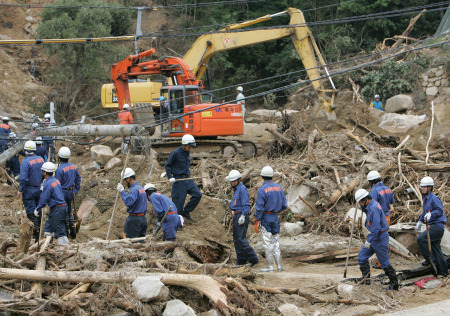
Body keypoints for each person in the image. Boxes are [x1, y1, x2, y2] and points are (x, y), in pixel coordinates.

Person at [355, 188, 398, 290]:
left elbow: (376, 228)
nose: (360, 204)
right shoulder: (369, 205)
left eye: (360, 202)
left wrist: (369, 241)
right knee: (362, 256)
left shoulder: (374, 207)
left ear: (365, 200)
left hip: (380, 237)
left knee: (384, 262)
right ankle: (366, 280)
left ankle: (394, 283)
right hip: (374, 237)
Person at [254, 166, 287, 272]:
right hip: (275, 217)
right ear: (272, 176)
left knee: (267, 242)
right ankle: (279, 266)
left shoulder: (262, 189)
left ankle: (270, 266)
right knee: (276, 241)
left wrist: (257, 220)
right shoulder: (279, 188)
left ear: (262, 176)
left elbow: (259, 207)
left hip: (266, 217)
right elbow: (284, 205)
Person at [415, 176, 448, 277]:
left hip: (437, 226)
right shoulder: (425, 198)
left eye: (425, 187)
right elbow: (425, 211)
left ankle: (430, 259)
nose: (423, 189)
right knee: (436, 249)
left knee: (421, 239)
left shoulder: (434, 199)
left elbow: (439, 211)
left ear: (430, 188)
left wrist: (431, 214)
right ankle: (443, 271)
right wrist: (420, 221)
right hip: (433, 225)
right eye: (422, 187)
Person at [165, 134, 202, 222]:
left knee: (198, 195)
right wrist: (170, 177)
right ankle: (177, 221)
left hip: (187, 179)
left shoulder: (187, 152)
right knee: (178, 202)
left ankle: (186, 211)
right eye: (189, 146)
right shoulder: (176, 153)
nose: (190, 148)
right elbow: (167, 165)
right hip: (179, 180)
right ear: (184, 145)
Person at [226, 169, 258, 267]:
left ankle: (253, 258)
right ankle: (241, 260)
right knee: (236, 240)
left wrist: (243, 215)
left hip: (241, 215)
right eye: (231, 181)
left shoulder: (242, 189)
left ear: (239, 180)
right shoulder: (236, 189)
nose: (232, 183)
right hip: (236, 215)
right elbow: (237, 202)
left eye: (234, 181)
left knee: (241, 239)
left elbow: (246, 204)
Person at [367, 170, 395, 269]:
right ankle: (382, 262)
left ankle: (382, 264)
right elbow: (392, 204)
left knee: (378, 241)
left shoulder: (374, 191)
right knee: (383, 241)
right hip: (387, 218)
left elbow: (372, 206)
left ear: (371, 181)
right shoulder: (388, 189)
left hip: (379, 219)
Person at [37, 162, 70, 245]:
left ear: (45, 173)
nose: (41, 173)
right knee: (48, 227)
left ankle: (64, 248)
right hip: (59, 208)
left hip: (58, 209)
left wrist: (38, 208)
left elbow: (44, 198)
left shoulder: (48, 183)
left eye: (42, 172)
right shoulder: (56, 180)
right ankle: (47, 245)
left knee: (60, 230)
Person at [19, 140, 45, 242]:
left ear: (25, 150)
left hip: (29, 190)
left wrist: (21, 190)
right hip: (39, 188)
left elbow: (24, 178)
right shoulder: (41, 159)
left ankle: (35, 235)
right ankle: (39, 231)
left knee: (31, 213)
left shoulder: (25, 162)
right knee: (38, 211)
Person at [55, 147, 81, 239]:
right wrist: (75, 190)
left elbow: (57, 184)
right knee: (69, 211)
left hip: (62, 192)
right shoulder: (73, 167)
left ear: (59, 157)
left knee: (63, 211)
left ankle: (65, 231)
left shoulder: (59, 170)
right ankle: (72, 230)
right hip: (70, 191)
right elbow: (78, 178)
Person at [117, 168, 148, 239]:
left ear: (128, 179)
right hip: (143, 219)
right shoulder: (141, 188)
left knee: (131, 242)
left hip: (134, 220)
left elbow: (129, 202)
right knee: (140, 242)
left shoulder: (134, 190)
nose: (124, 183)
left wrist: (122, 191)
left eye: (124, 180)